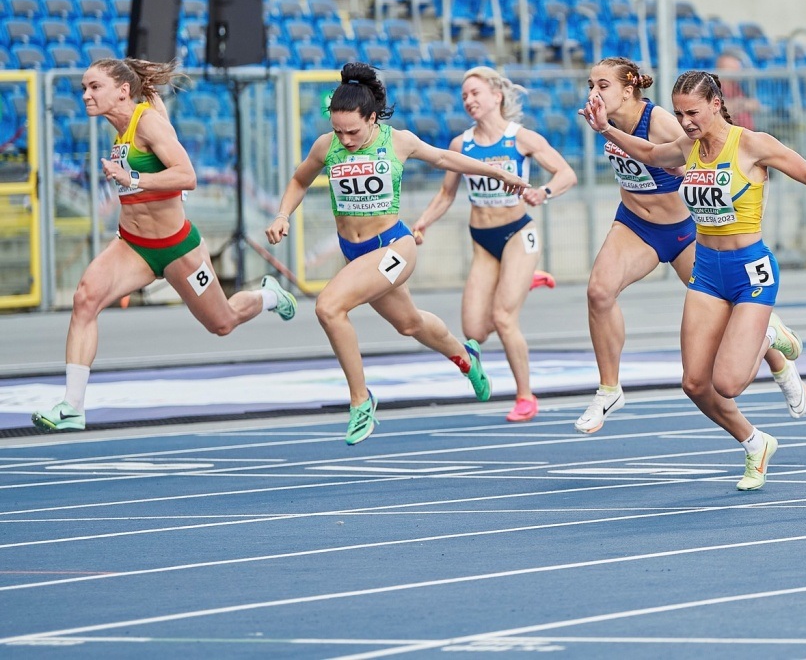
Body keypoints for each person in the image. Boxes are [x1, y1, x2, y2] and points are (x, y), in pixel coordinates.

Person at [581, 70, 806, 491]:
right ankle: (755, 444)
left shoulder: (753, 145)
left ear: (716, 104)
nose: (685, 122)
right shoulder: (689, 147)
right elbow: (648, 153)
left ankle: (771, 338)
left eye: (693, 113)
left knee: (729, 383)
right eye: (680, 113)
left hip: (750, 272)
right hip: (707, 272)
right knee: (695, 384)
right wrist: (606, 129)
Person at [31, 58, 298, 434]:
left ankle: (268, 295)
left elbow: (187, 176)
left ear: (122, 91)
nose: (86, 95)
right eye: (83, 88)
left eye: (94, 87)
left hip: (178, 250)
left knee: (222, 323)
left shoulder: (148, 122)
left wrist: (132, 177)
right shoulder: (119, 126)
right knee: (85, 299)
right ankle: (72, 406)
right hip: (133, 246)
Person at [266, 63, 527, 445]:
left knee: (329, 307)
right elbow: (299, 179)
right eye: (338, 130)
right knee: (409, 324)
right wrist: (282, 214)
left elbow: (444, 159)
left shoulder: (397, 141)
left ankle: (361, 400)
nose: (346, 139)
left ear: (372, 118)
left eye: (353, 131)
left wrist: (499, 173)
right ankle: (467, 358)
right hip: (356, 253)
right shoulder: (327, 146)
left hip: (393, 248)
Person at [574, 57, 806, 435]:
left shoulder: (664, 121)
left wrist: (684, 174)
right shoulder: (605, 120)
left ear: (628, 88)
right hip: (635, 225)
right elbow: (637, 163)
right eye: (590, 85)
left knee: (736, 309)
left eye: (602, 86)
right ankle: (609, 388)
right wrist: (605, 131)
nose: (593, 93)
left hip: (684, 230)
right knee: (599, 292)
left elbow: (698, 163)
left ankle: (780, 363)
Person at [411, 66, 576, 424]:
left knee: (503, 317)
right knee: (474, 331)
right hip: (483, 241)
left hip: (518, 233)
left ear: (496, 96)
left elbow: (567, 173)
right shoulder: (461, 144)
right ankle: (521, 281)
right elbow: (445, 193)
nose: (469, 101)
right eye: (464, 96)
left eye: (475, 93)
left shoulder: (521, 139)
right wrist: (422, 222)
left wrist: (542, 192)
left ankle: (525, 396)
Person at [714, 50, 758, 130]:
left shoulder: (738, 86)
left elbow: (755, 105)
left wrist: (738, 104)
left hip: (747, 133)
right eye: (734, 68)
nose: (739, 71)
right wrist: (742, 104)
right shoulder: (715, 87)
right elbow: (721, 108)